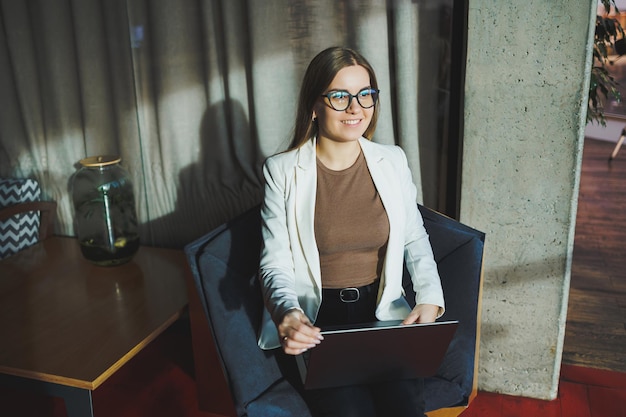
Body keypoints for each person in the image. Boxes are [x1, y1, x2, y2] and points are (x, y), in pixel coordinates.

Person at [257, 46, 445, 417]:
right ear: (314, 105)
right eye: (340, 96)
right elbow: (274, 263)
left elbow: (414, 238)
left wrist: (429, 298)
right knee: (348, 411)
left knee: (406, 408)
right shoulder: (281, 171)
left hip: (384, 313)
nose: (355, 107)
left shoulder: (392, 160)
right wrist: (287, 314)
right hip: (318, 319)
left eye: (365, 94)